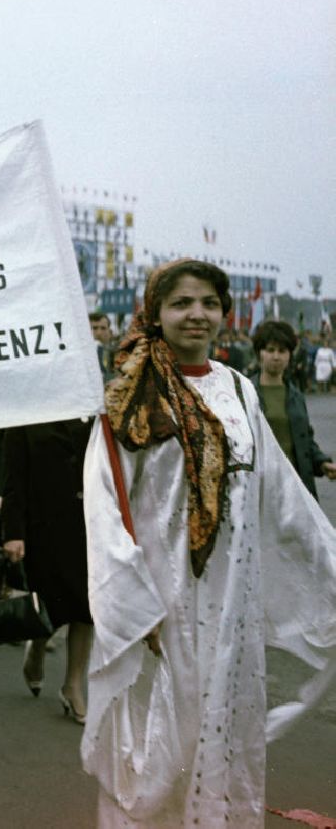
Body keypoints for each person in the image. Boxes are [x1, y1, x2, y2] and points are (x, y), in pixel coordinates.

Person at [81, 259, 336, 828]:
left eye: (208, 303)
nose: (196, 314)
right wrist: (130, 609)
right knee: (154, 749)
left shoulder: (240, 392)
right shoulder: (130, 398)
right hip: (159, 610)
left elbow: (285, 500)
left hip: (231, 609)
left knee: (222, 737)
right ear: (155, 312)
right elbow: (104, 511)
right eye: (181, 303)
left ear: (224, 312)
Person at [2, 418, 94, 725]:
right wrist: (13, 532)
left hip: (88, 521)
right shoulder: (28, 412)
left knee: (86, 606)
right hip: (43, 523)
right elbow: (14, 476)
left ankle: (73, 685)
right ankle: (37, 647)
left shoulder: (94, 407)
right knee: (50, 599)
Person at [250, 319, 336, 500]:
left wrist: (322, 463)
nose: (276, 356)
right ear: (260, 353)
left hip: (295, 487)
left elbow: (305, 439)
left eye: (282, 351)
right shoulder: (245, 392)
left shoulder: (296, 396)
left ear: (290, 355)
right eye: (270, 350)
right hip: (258, 488)